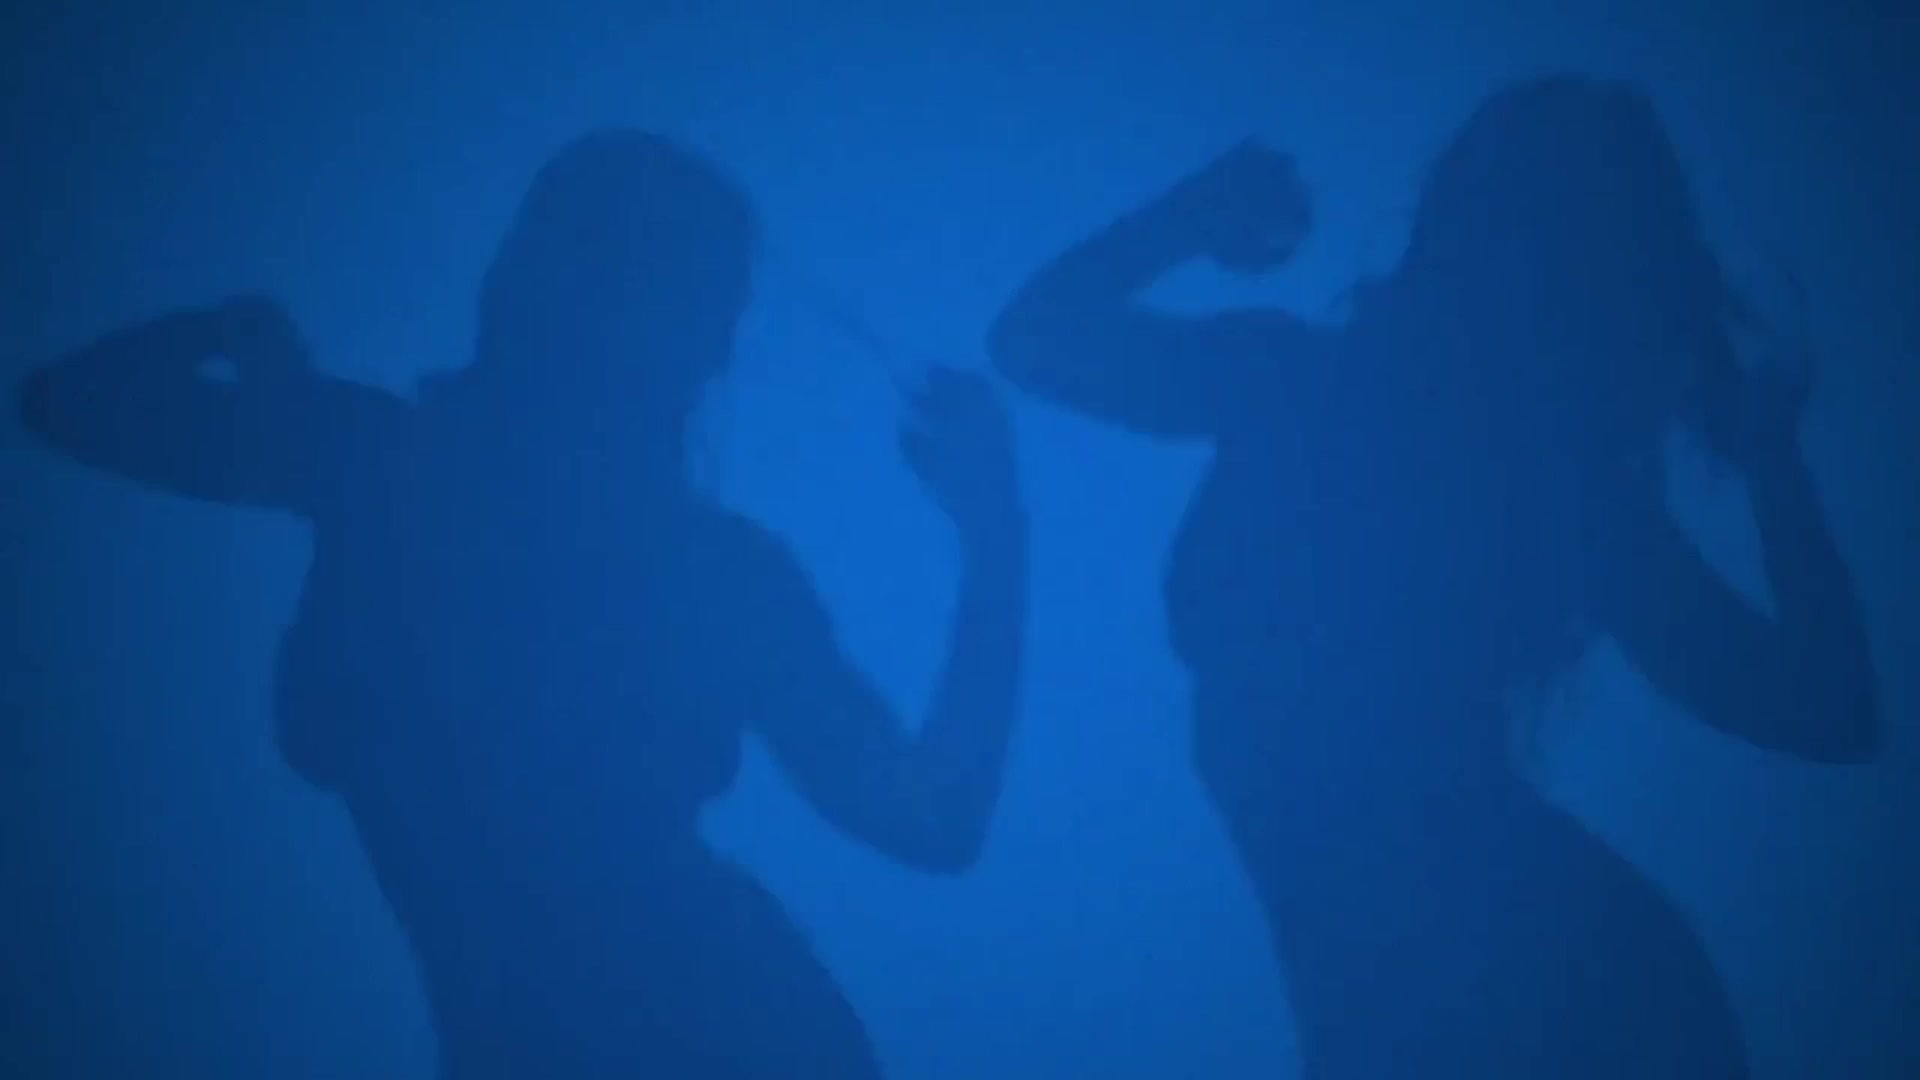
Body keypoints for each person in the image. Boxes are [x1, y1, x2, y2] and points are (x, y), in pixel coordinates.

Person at [19, 130, 1029, 1078]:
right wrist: (996, 535)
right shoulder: (689, 561)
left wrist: (233, 329)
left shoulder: (378, 463)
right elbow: (930, 820)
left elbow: (75, 404)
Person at [988, 75, 1878, 1077]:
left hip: (1548, 1002)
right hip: (1547, 993)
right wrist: (1772, 462)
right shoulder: (1528, 480)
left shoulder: (1480, 461)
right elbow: (1829, 714)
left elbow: (1831, 715)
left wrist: (1192, 214)